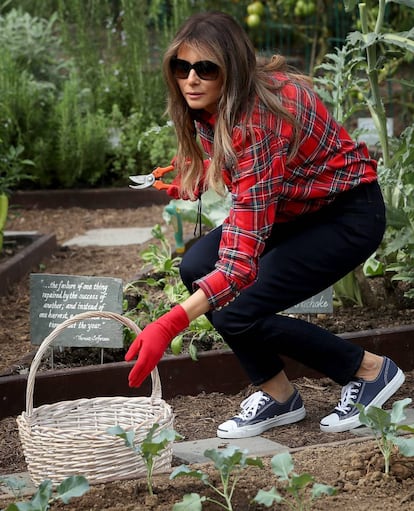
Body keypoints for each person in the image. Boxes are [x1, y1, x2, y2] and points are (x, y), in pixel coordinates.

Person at [125, 11, 405, 439]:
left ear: (231, 68)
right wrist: (193, 175)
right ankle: (278, 396)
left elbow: (239, 266)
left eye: (206, 68)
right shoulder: (220, 105)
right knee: (196, 266)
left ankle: (369, 370)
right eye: (182, 68)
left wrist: (170, 322)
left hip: (347, 215)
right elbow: (255, 174)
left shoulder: (257, 123)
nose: (191, 80)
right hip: (294, 208)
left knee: (235, 306)